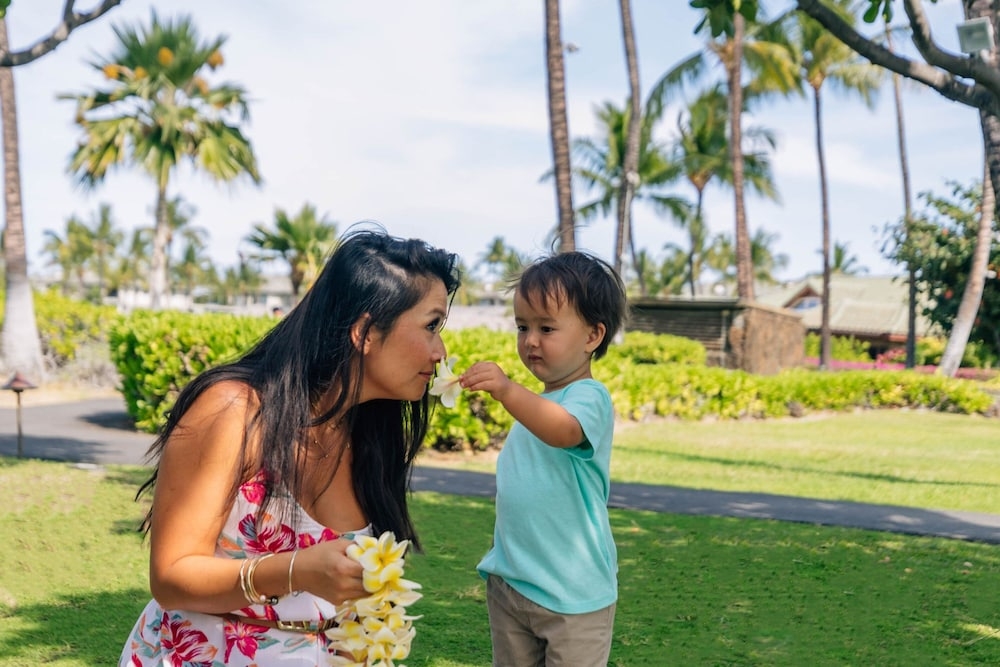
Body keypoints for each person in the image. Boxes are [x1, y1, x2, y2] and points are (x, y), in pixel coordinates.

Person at [118, 228, 461, 666]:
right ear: (366, 333)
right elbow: (171, 577)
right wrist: (297, 570)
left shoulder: (368, 431)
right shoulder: (233, 411)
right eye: (432, 325)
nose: (441, 351)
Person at [460, 251, 627, 667]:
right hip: (514, 583)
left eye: (546, 328)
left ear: (593, 336)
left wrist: (506, 389)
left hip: (574, 595)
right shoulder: (538, 402)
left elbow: (563, 431)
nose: (530, 340)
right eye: (522, 326)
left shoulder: (589, 397)